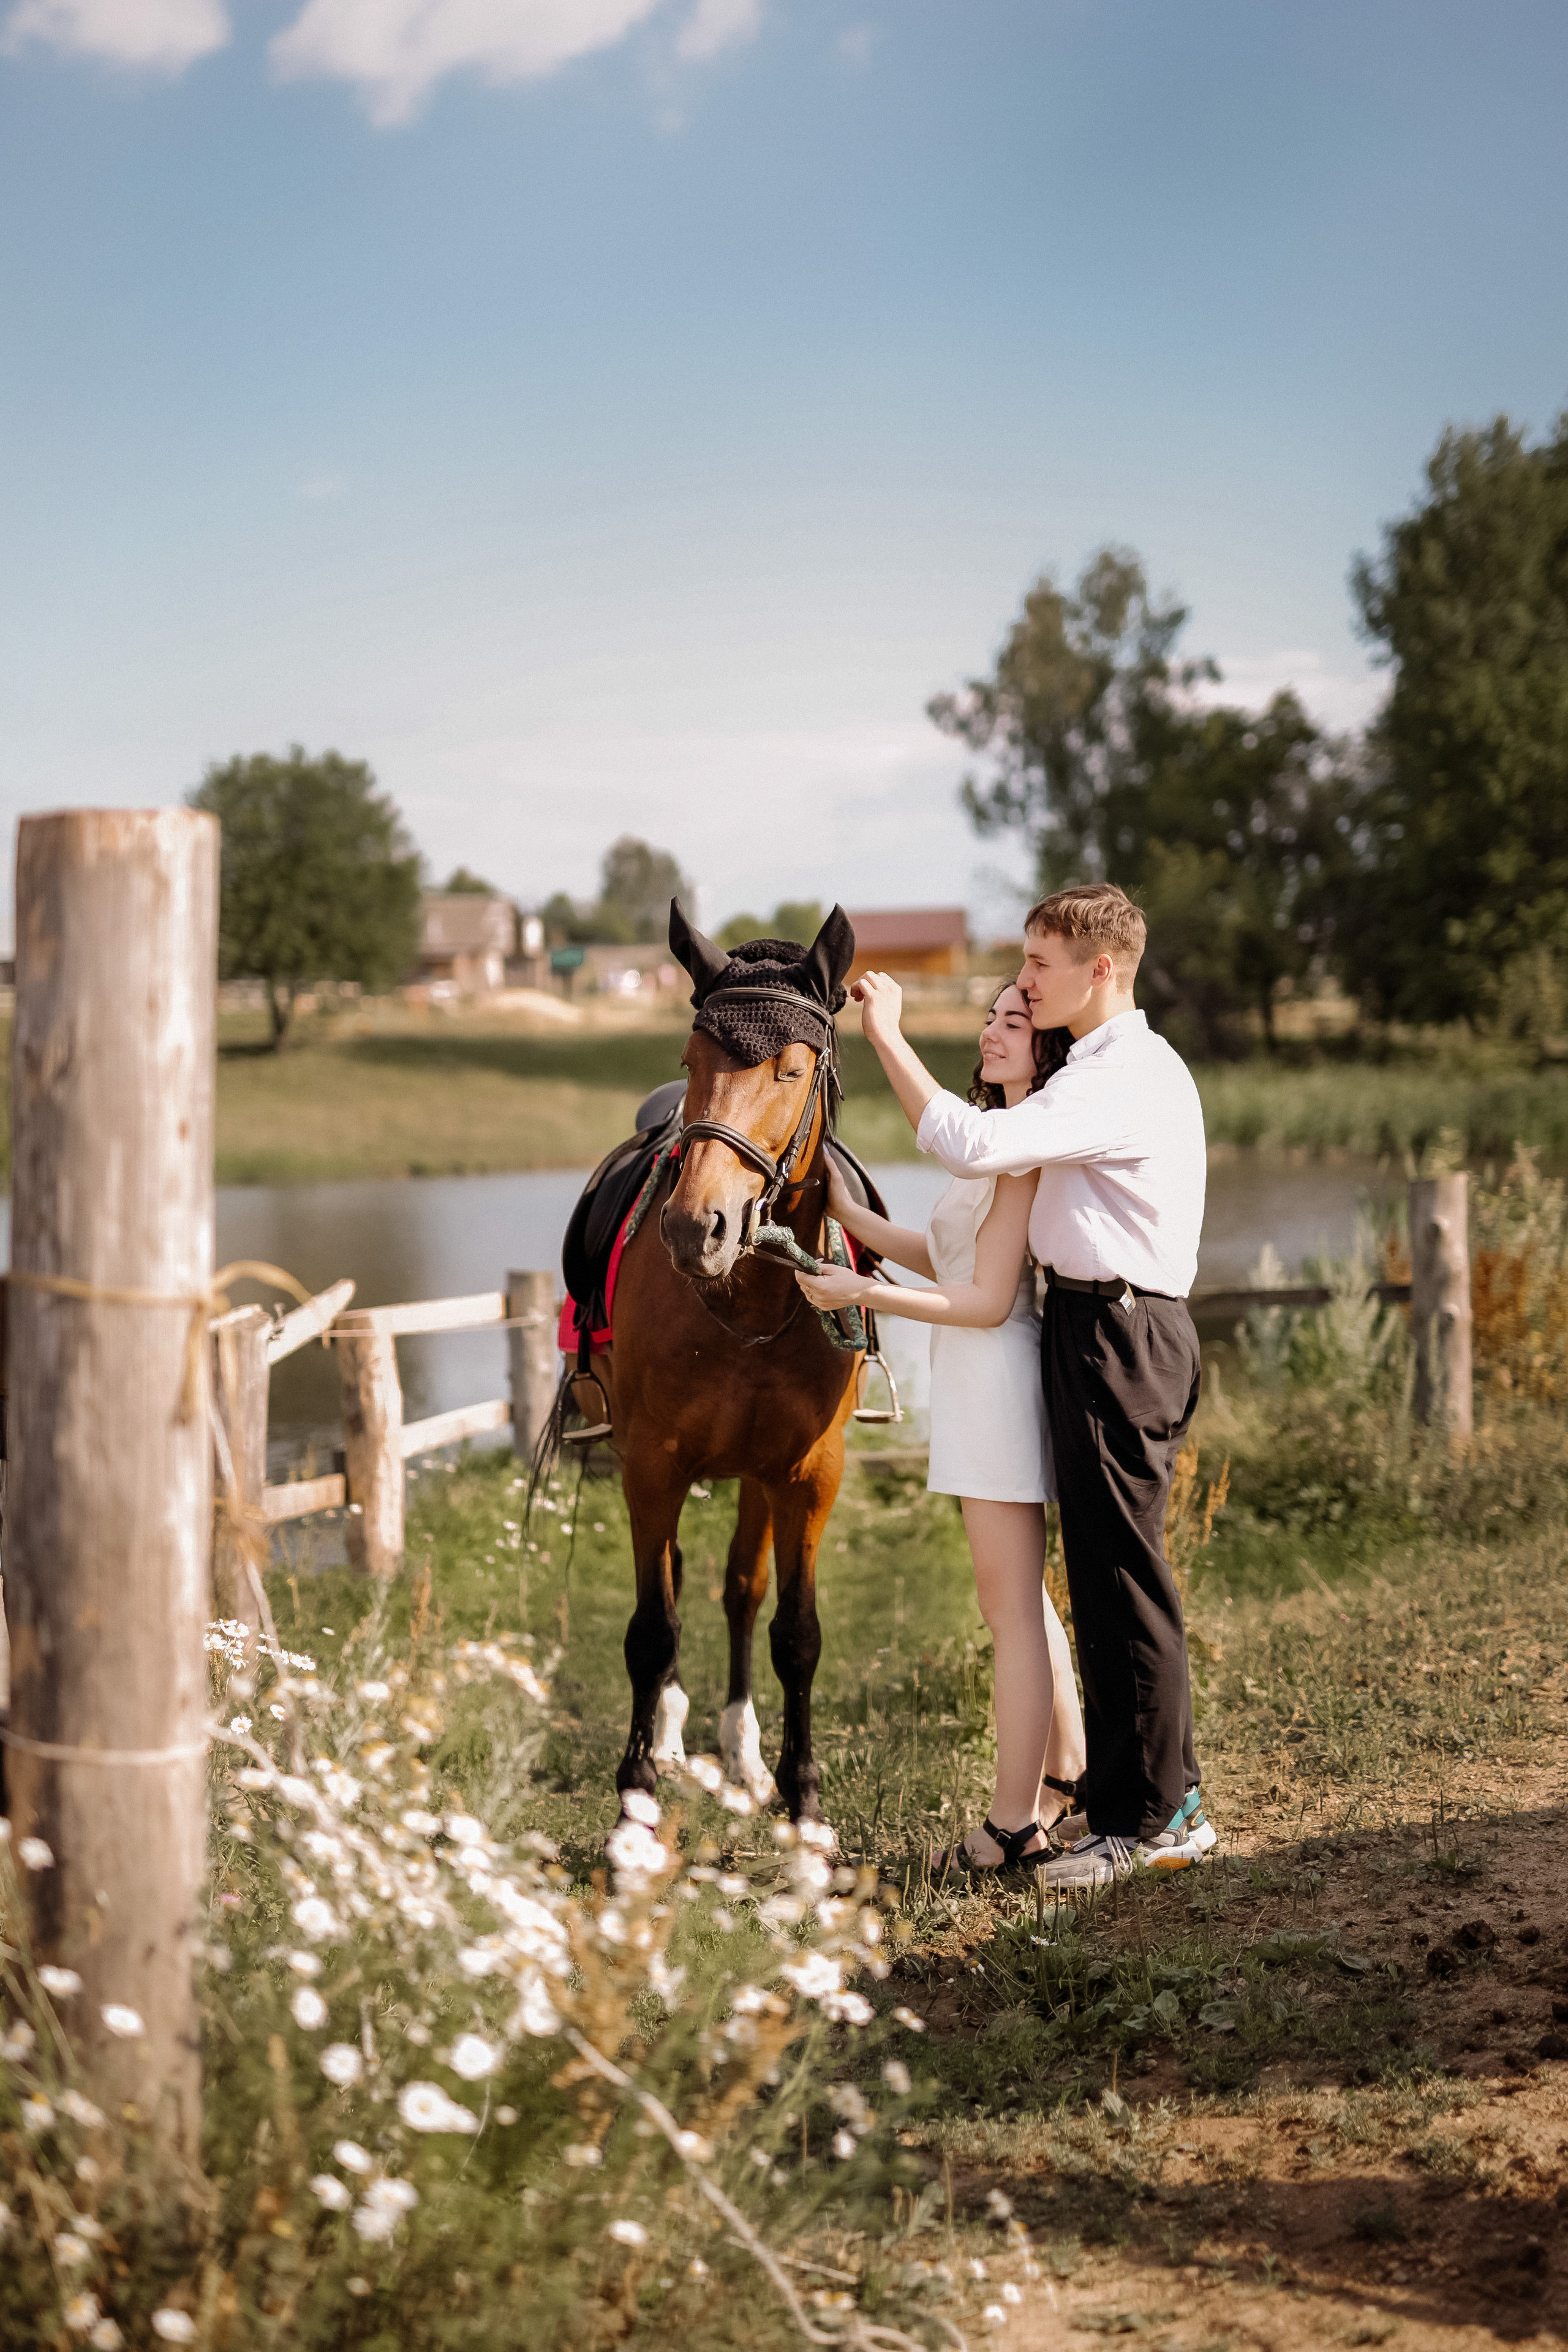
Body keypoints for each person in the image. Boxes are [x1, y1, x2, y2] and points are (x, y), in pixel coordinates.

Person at [836, 883, 1215, 1888]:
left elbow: (973, 1143)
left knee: (1124, 1581)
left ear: (1100, 970)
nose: (1026, 982)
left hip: (1120, 1328)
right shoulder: (1091, 1072)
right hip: (1092, 1324)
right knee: (1099, 1578)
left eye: (1039, 966)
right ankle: (1128, 1807)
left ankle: (1158, 1822)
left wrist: (886, 1034)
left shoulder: (1120, 1072)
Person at [796, 984, 1086, 1875]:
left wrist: (861, 1293)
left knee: (1009, 1615)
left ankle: (1011, 1830)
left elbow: (989, 1298)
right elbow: (948, 1254)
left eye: (1017, 1023)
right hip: (973, 1379)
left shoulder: (1026, 1144)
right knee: (1024, 1603)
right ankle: (1071, 1778)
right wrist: (848, 1218)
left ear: (1049, 1050)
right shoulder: (999, 1143)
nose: (994, 1032)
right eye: (993, 1018)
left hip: (995, 1377)